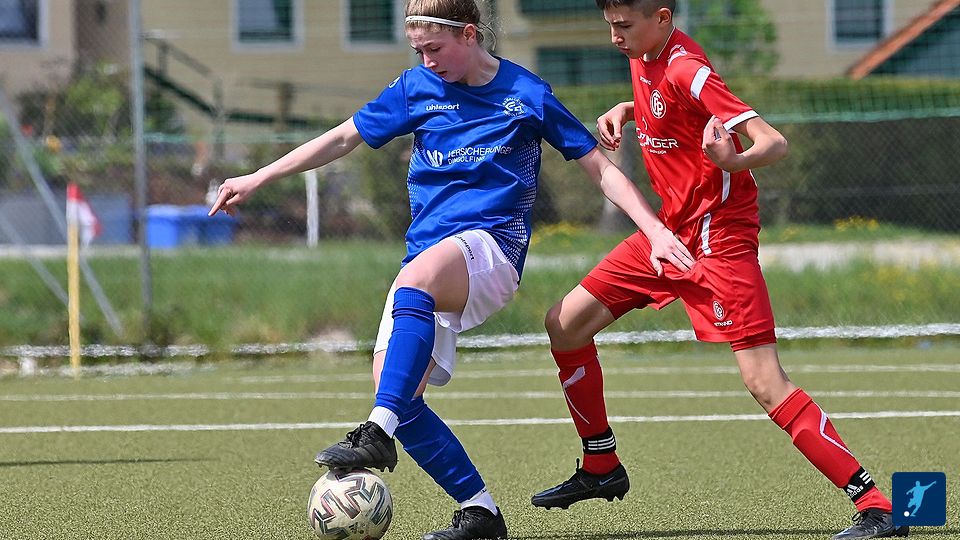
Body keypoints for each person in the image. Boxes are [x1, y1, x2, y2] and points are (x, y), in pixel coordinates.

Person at [209, 1, 693, 538]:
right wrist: (257, 177)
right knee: (400, 392)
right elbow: (344, 137)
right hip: (427, 261)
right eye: (418, 50)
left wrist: (656, 231)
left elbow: (599, 169)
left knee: (404, 333)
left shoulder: (526, 93)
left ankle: (376, 430)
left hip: (492, 249)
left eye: (435, 49)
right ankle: (480, 511)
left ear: (468, 34)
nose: (427, 61)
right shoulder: (416, 88)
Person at [530, 2, 908, 540]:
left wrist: (732, 161)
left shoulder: (688, 67)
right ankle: (601, 465)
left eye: (624, 25)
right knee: (564, 323)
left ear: (662, 18)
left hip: (719, 239)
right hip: (669, 233)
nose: (615, 36)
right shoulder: (644, 53)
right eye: (610, 25)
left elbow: (772, 142)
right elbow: (666, 105)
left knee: (764, 382)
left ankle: (879, 506)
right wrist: (627, 108)